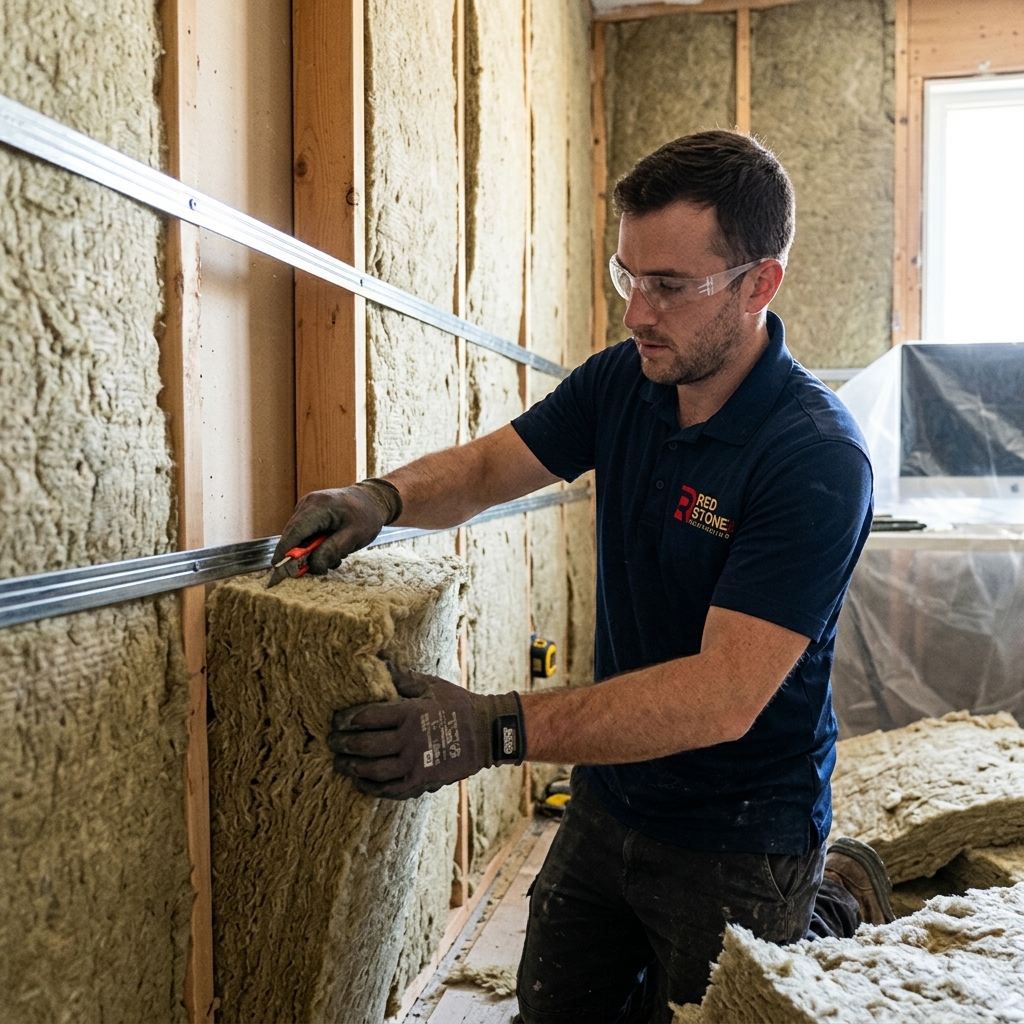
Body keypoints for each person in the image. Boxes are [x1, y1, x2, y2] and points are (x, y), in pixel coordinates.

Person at [269, 131, 894, 1022]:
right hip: (613, 794)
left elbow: (722, 696)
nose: (637, 312)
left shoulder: (815, 458)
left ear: (759, 284)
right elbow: (488, 469)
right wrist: (381, 498)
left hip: (744, 828)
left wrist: (494, 729)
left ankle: (831, 903)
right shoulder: (622, 384)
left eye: (670, 285)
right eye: (626, 276)